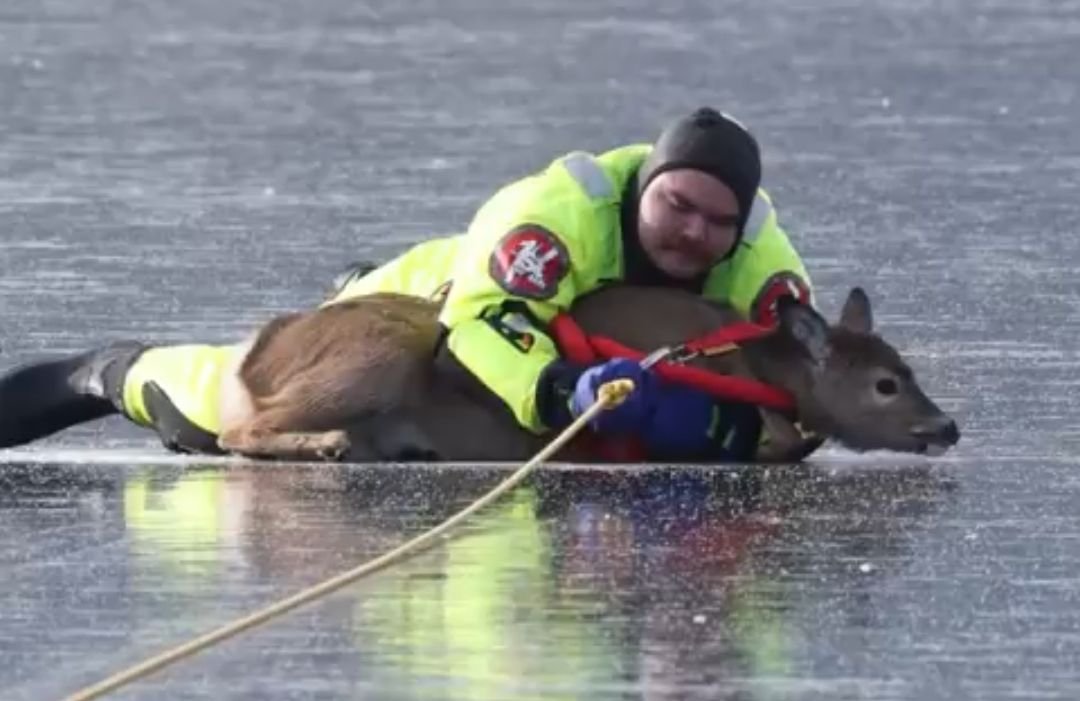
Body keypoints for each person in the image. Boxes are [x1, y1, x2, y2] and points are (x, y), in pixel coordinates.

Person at [0, 107, 813, 461]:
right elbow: (484, 322)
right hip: (437, 299)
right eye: (676, 206)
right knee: (217, 400)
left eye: (717, 221)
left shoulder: (761, 261)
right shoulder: (557, 214)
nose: (692, 233)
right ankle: (101, 369)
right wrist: (561, 390)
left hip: (507, 316)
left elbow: (815, 374)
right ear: (646, 188)